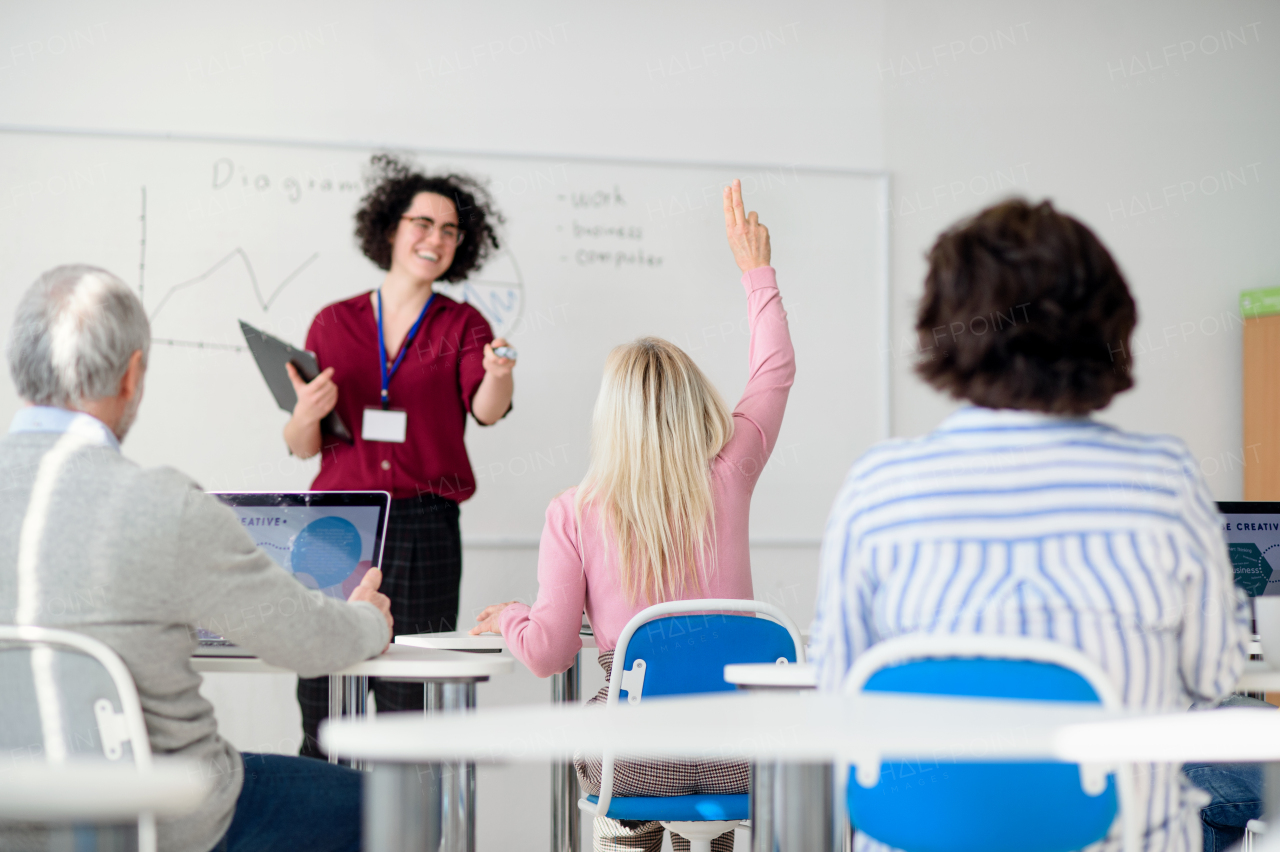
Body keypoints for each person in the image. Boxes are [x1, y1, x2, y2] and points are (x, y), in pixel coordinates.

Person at [808, 198, 1252, 852]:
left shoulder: (880, 488)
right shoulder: (1165, 479)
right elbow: (1215, 675)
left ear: (945, 325)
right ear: (1110, 324)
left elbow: (837, 694)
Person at [0, 265, 394, 852]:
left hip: (14, 814)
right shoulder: (162, 503)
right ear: (132, 376)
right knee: (399, 807)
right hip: (163, 817)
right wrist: (368, 618)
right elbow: (312, 641)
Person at [469, 179, 794, 852]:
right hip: (741, 750)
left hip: (633, 753)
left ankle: (636, 836)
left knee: (622, 769)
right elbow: (775, 371)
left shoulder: (575, 511)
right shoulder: (732, 471)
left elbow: (550, 652)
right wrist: (755, 270)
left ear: (608, 418)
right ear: (696, 401)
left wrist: (507, 618)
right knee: (713, 801)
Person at [282, 154, 515, 757]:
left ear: (461, 245)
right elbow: (301, 444)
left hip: (425, 525)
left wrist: (499, 373)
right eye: (422, 223)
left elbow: (488, 410)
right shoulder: (333, 323)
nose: (434, 239)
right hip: (337, 522)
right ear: (391, 228)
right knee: (323, 693)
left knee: (409, 703)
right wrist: (304, 416)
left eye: (449, 230)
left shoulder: (464, 325)